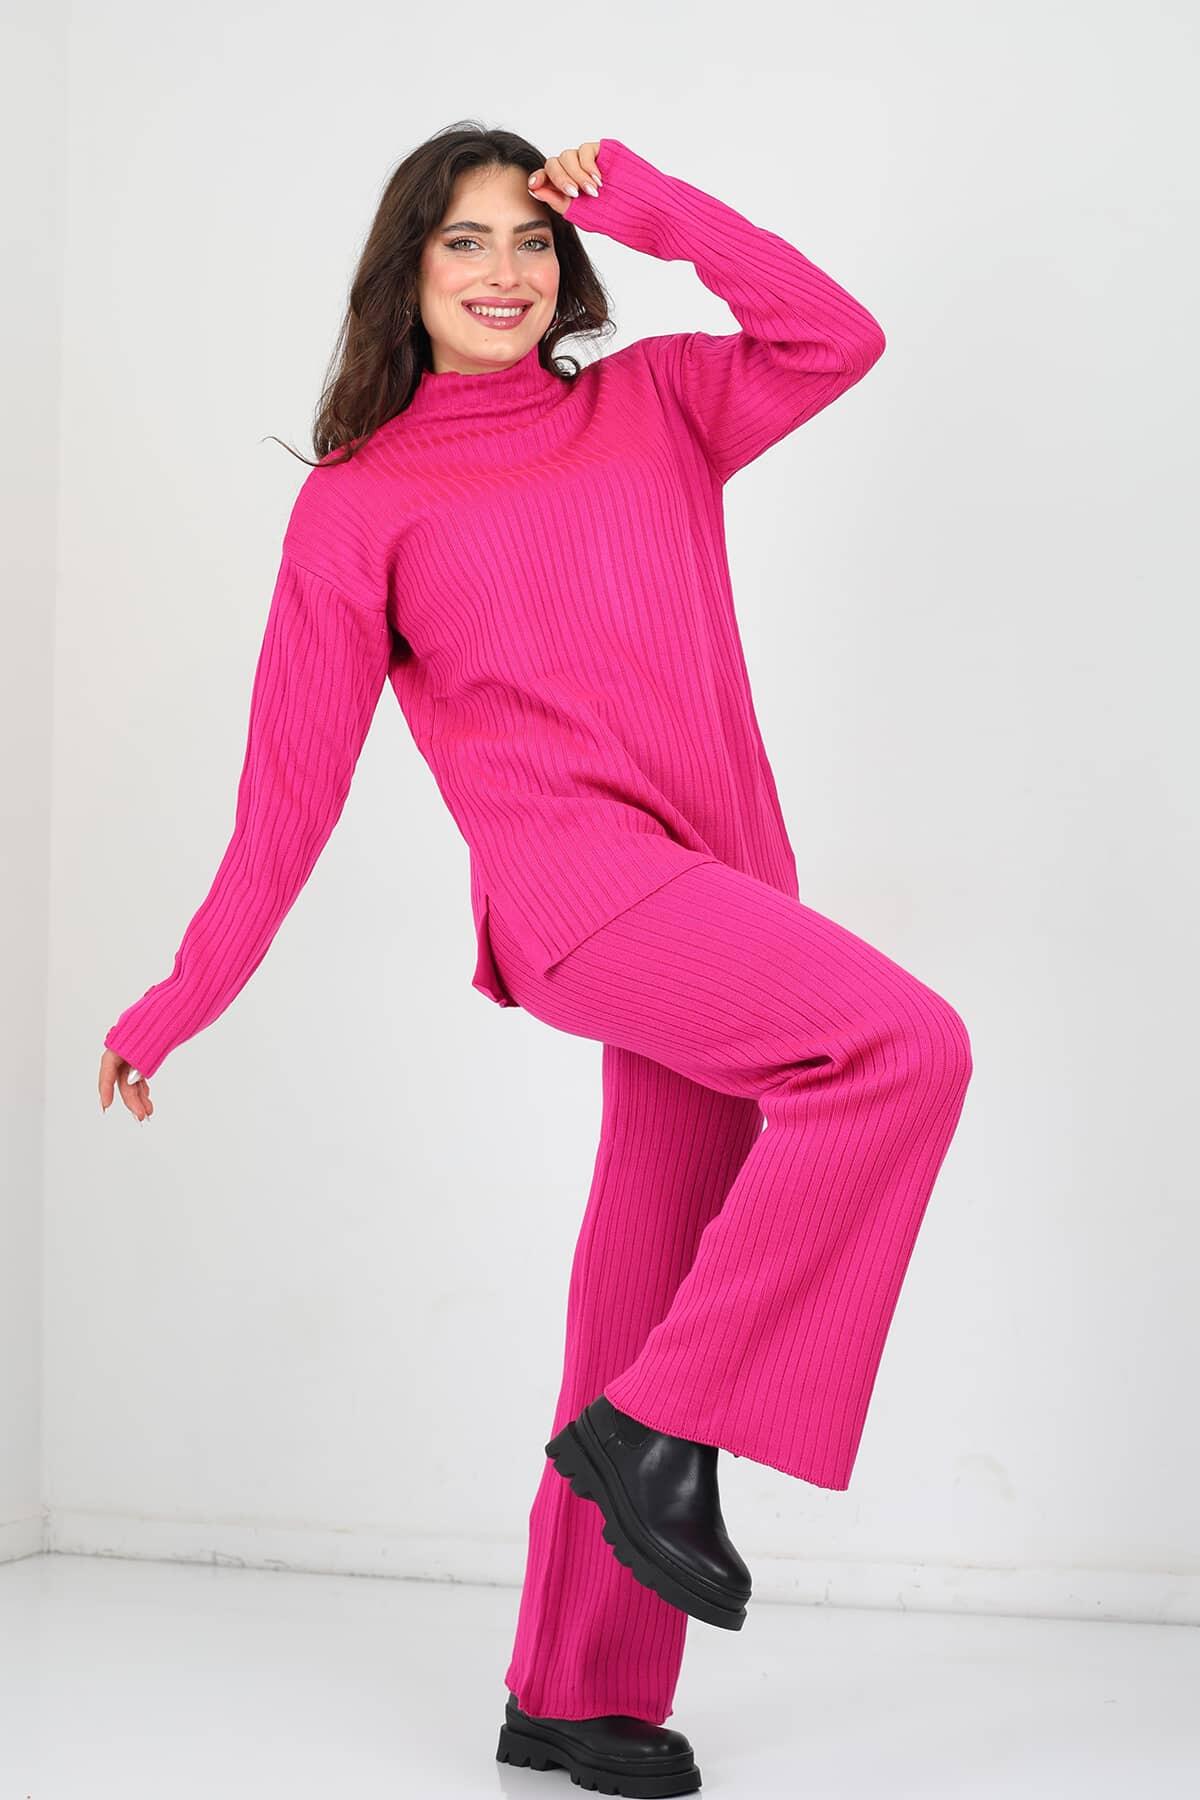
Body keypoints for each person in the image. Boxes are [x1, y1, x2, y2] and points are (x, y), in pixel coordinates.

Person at [98, 130, 972, 1795]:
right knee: (903, 1050)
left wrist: (649, 203)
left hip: (726, 897)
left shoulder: (657, 403)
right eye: (462, 242)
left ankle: (571, 1689)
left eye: (529, 239)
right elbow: (290, 794)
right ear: (406, 274)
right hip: (585, 902)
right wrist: (177, 1001)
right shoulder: (359, 503)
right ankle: (661, 1431)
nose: (503, 272)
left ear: (567, 264)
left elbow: (833, 337)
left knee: (642, 1285)